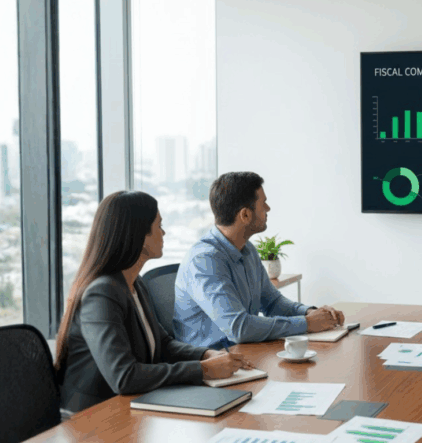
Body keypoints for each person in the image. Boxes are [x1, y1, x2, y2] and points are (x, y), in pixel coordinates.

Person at [54, 191, 252, 413]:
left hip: (132, 406)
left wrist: (206, 355)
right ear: (139, 234)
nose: (164, 232)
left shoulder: (134, 283)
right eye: (159, 226)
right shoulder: (101, 294)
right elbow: (124, 376)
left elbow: (163, 343)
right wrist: (202, 370)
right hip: (93, 418)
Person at [173, 172, 345, 348]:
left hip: (242, 353)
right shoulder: (204, 260)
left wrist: (311, 313)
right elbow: (239, 328)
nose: (268, 208)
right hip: (213, 363)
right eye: (263, 204)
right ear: (245, 215)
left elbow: (272, 303)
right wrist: (307, 324)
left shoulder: (247, 250)